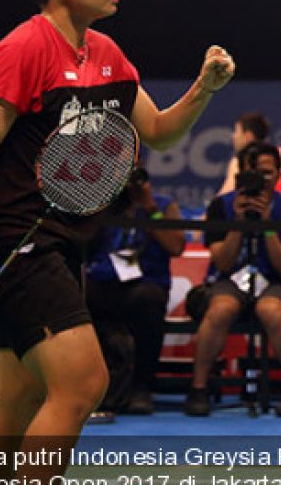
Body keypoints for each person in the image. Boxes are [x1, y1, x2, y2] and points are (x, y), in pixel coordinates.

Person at [0, 0, 235, 485]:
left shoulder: (105, 52)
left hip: (63, 244)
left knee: (18, 395)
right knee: (83, 384)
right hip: (19, 242)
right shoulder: (19, 50)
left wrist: (204, 89)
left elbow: (157, 131)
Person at [187, 142, 281, 417]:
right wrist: (239, 222)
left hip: (277, 284)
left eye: (266, 172)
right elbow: (222, 262)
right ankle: (198, 388)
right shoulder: (221, 208)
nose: (260, 179)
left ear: (278, 175)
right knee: (221, 307)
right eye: (252, 172)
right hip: (229, 281)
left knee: (270, 309)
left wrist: (269, 227)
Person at [85, 166, 185, 417]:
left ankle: (142, 387)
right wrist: (102, 208)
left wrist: (149, 208)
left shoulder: (162, 205)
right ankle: (87, 385)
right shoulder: (103, 205)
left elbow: (175, 246)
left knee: (149, 300)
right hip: (103, 281)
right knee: (75, 295)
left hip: (145, 283)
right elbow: (82, 245)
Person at [218, 111, 281, 219]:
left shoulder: (241, 161)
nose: (233, 136)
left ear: (248, 136)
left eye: (236, 131)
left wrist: (205, 221)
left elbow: (225, 198)